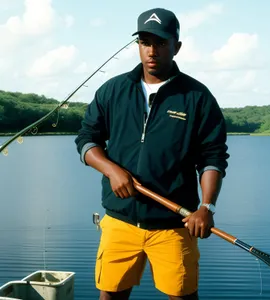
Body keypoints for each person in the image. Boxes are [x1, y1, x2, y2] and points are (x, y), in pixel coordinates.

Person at [75, 7, 229, 300]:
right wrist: (112, 170)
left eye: (160, 42)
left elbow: (213, 158)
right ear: (138, 46)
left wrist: (206, 208)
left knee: (182, 296)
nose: (152, 50)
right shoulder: (113, 90)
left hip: (173, 226)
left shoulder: (198, 98)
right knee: (110, 296)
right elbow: (86, 139)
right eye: (145, 42)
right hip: (119, 221)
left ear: (176, 46)